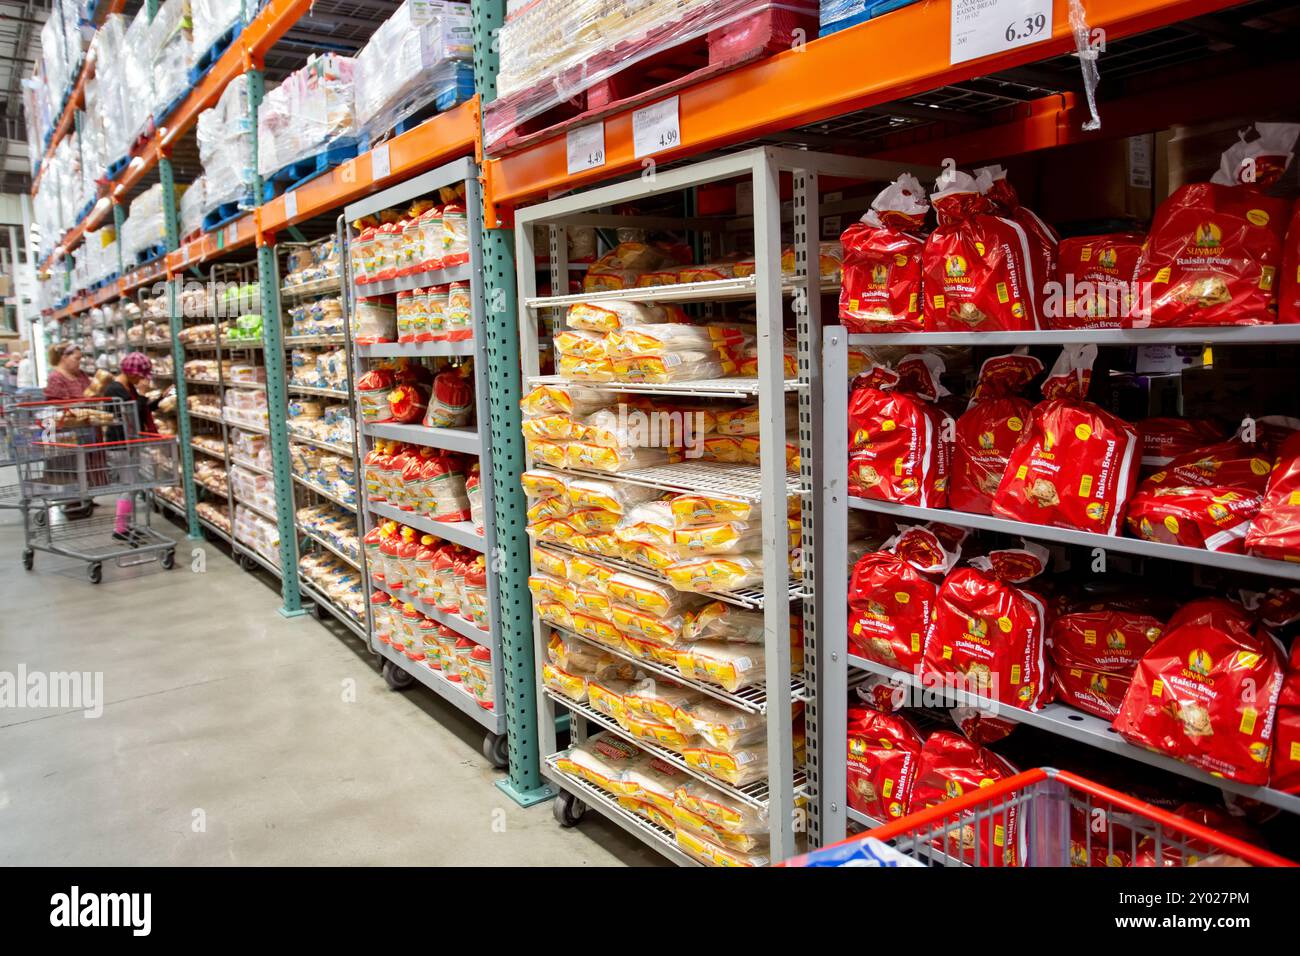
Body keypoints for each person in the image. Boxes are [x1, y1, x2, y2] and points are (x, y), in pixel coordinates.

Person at [103, 352, 162, 543]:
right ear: (130, 372)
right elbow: (131, 413)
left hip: (130, 443)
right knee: (129, 486)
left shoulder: (127, 386)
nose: (142, 379)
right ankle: (120, 528)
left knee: (131, 485)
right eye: (140, 375)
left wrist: (159, 399)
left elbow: (141, 408)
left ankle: (126, 525)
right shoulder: (114, 389)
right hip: (120, 445)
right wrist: (143, 395)